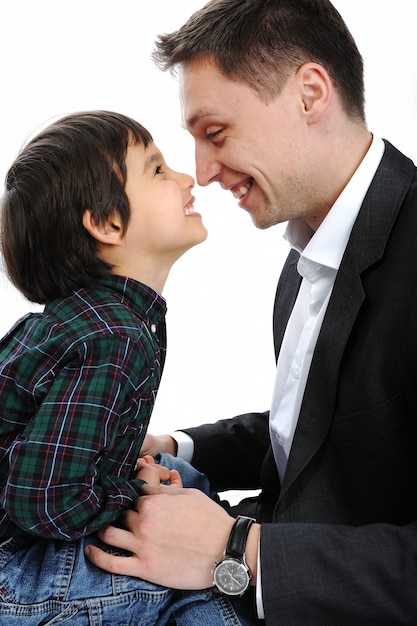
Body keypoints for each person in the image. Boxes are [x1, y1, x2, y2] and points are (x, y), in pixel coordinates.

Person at [84, 1, 417, 624]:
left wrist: (240, 548)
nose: (202, 173)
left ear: (311, 94)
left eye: (215, 134)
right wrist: (175, 445)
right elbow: (321, 432)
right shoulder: (306, 257)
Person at [0, 110, 252, 625]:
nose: (187, 178)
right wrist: (129, 495)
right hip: (19, 570)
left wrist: (130, 474)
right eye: (158, 171)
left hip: (21, 541)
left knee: (185, 479)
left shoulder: (87, 320)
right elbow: (43, 500)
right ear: (108, 223)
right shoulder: (115, 335)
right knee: (203, 587)